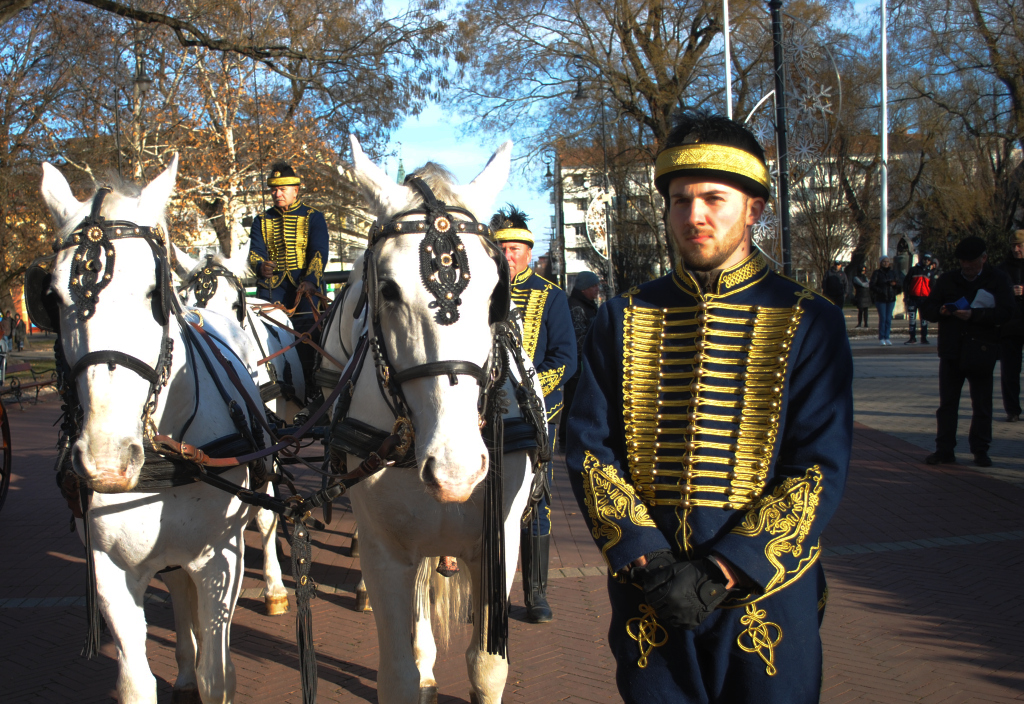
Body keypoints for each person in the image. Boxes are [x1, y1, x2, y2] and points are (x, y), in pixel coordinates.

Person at [566, 109, 852, 704]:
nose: (694, 216)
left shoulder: (810, 319)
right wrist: (644, 555)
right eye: (679, 200)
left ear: (755, 206)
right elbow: (590, 446)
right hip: (652, 589)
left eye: (714, 199)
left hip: (766, 593)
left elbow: (818, 463)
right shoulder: (622, 316)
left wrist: (727, 566)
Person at [491, 205, 577, 623]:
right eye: (502, 248)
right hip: (485, 413)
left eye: (515, 248)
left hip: (537, 412)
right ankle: (492, 593)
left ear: (528, 252)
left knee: (534, 501)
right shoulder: (482, 293)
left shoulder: (552, 295)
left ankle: (536, 594)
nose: (508, 255)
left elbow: (566, 358)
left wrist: (529, 390)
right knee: (485, 500)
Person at [921, 236, 1014, 467]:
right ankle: (944, 449)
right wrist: (941, 311)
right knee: (947, 404)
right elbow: (928, 309)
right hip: (952, 350)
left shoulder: (997, 279)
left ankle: (980, 450)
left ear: (984, 258)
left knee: (982, 404)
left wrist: (977, 315)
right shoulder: (948, 280)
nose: (967, 267)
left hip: (982, 348)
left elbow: (1007, 312)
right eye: (963, 262)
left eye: (971, 263)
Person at [248, 161, 329, 407]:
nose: (277, 193)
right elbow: (255, 253)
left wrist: (310, 280)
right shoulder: (261, 220)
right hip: (272, 291)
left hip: (304, 293)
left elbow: (319, 252)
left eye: (283, 188)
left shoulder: (313, 217)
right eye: (274, 189)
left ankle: (313, 398)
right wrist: (261, 266)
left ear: (296, 189)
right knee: (269, 342)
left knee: (307, 342)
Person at [559, 270, 601, 447]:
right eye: (594, 286)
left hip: (586, 364)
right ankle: (566, 439)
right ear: (584, 288)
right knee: (573, 404)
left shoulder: (588, 304)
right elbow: (579, 337)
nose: (597, 289)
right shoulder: (577, 306)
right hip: (579, 366)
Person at [998, 230, 1024, 422]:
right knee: (1009, 371)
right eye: (1014, 245)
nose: (1016, 249)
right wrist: (1009, 291)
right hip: (1009, 326)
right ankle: (1012, 409)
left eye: (1020, 245)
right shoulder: (1002, 269)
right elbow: (992, 292)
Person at [903, 253, 933, 344]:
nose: (926, 261)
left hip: (925, 299)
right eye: (925, 259)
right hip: (913, 298)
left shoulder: (930, 272)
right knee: (912, 319)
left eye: (928, 260)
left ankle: (924, 338)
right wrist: (906, 296)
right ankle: (912, 338)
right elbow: (906, 283)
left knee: (924, 320)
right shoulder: (913, 270)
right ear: (921, 259)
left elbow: (933, 286)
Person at [870, 256, 899, 345]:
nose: (886, 263)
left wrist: (894, 285)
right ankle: (881, 337)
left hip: (891, 298)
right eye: (884, 261)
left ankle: (887, 337)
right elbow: (872, 285)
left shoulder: (892, 272)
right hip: (881, 299)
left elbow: (898, 284)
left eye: (887, 261)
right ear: (881, 263)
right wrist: (880, 291)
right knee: (883, 318)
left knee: (888, 319)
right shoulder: (877, 273)